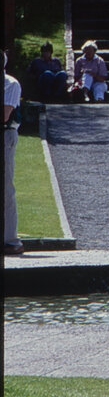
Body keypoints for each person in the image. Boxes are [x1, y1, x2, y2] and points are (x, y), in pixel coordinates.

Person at [3, 52, 21, 256]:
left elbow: (4, 114)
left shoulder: (10, 83)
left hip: (5, 136)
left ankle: (11, 240)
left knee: (6, 188)